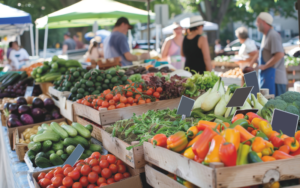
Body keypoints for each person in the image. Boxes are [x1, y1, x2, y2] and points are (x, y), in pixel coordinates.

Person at [255, 12, 287, 96]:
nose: (256, 24)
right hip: (268, 77)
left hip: (275, 80)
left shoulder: (273, 35)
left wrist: (265, 66)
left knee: (276, 107)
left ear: (264, 22)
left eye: (258, 22)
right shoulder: (266, 35)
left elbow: (280, 54)